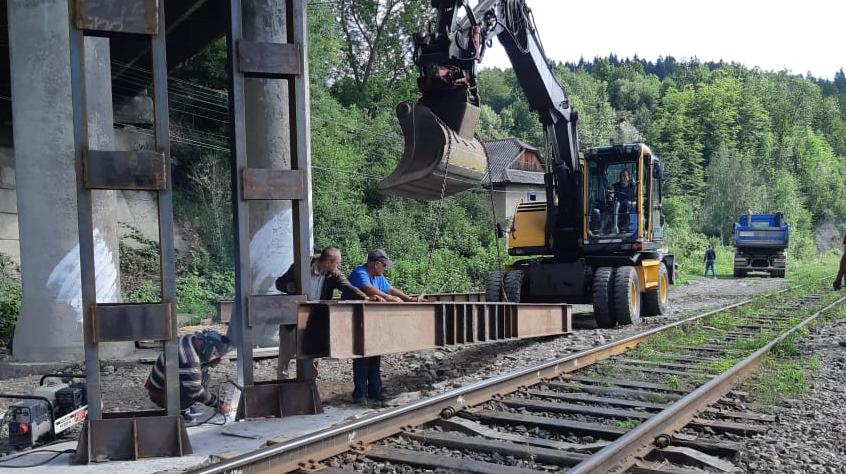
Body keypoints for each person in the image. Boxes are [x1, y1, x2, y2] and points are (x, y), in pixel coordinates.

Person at [275, 247, 376, 378]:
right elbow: (279, 283)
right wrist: (288, 286)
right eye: (337, 263)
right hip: (292, 318)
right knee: (286, 354)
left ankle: (308, 386)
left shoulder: (334, 274)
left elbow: (348, 287)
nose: (339, 265)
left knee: (313, 355)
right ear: (328, 262)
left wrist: (365, 298)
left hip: (314, 320)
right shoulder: (301, 267)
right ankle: (283, 386)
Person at [344, 249, 418, 402]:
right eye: (384, 265)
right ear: (376, 264)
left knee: (375, 356)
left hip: (372, 324)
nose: (385, 268)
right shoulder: (360, 272)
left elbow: (390, 288)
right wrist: (389, 298)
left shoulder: (378, 276)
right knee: (362, 358)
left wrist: (408, 299)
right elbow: (368, 289)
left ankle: (375, 392)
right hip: (356, 323)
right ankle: (360, 394)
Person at [144, 330, 231, 420]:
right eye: (214, 353)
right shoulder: (189, 360)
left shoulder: (189, 339)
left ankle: (184, 407)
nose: (214, 357)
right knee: (196, 386)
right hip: (159, 394)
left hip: (163, 385)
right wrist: (219, 404)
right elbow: (196, 391)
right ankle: (179, 410)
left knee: (201, 375)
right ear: (208, 347)